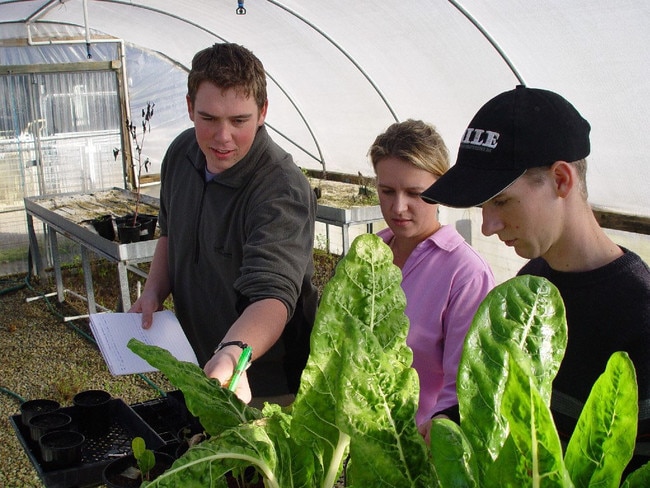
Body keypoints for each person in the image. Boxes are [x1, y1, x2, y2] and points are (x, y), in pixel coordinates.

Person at [421, 85, 650, 473]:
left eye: (503, 201)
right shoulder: (529, 287)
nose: (489, 226)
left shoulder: (639, 322)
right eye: (483, 205)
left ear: (561, 180)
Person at [129, 43, 318, 406]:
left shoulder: (281, 189)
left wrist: (233, 355)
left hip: (267, 380)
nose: (222, 137)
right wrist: (153, 291)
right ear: (189, 108)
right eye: (209, 118)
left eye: (239, 121)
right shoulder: (181, 155)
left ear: (262, 112)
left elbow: (272, 296)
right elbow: (170, 235)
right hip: (204, 358)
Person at [368, 119, 495, 438]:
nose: (399, 207)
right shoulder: (370, 255)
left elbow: (465, 390)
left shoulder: (465, 273)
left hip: (421, 453)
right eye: (387, 191)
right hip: (356, 441)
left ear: (442, 189)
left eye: (415, 193)